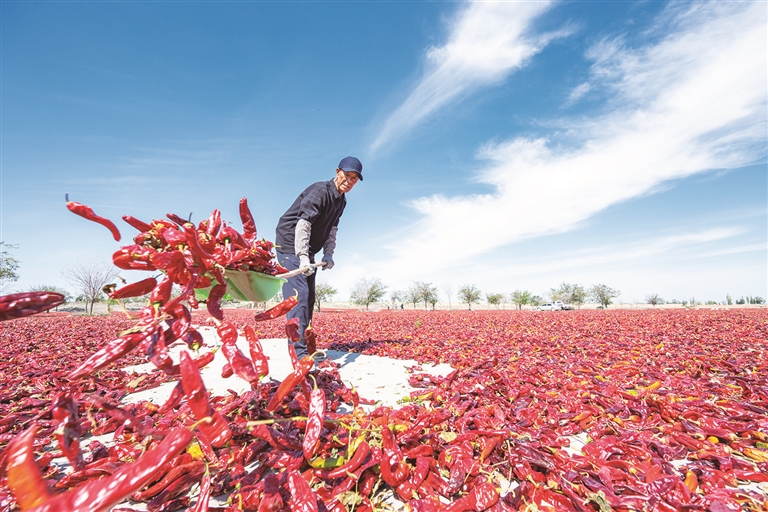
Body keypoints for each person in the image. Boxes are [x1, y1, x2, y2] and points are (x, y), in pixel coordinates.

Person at [275, 156, 363, 358]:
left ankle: (307, 346)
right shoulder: (320, 191)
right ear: (337, 171)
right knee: (299, 297)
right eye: (347, 175)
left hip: (308, 250)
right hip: (290, 244)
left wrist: (329, 253)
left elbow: (332, 229)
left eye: (354, 179)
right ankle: (300, 355)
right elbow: (303, 224)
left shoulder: (341, 201)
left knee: (310, 297)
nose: (349, 181)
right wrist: (303, 256)